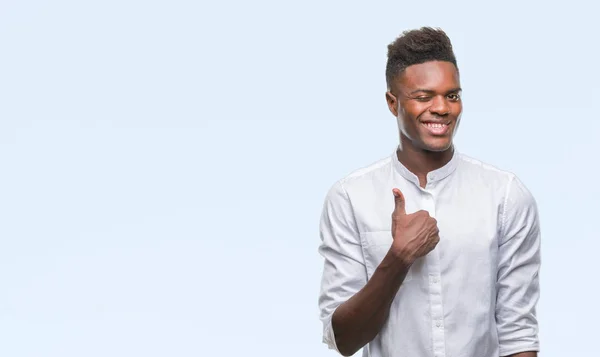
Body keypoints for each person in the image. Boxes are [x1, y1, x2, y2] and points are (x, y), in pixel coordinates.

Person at [317, 27, 541, 357]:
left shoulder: (506, 196)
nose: (442, 108)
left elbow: (518, 333)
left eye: (452, 95)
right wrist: (399, 257)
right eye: (424, 97)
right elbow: (345, 340)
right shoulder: (350, 198)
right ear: (393, 103)